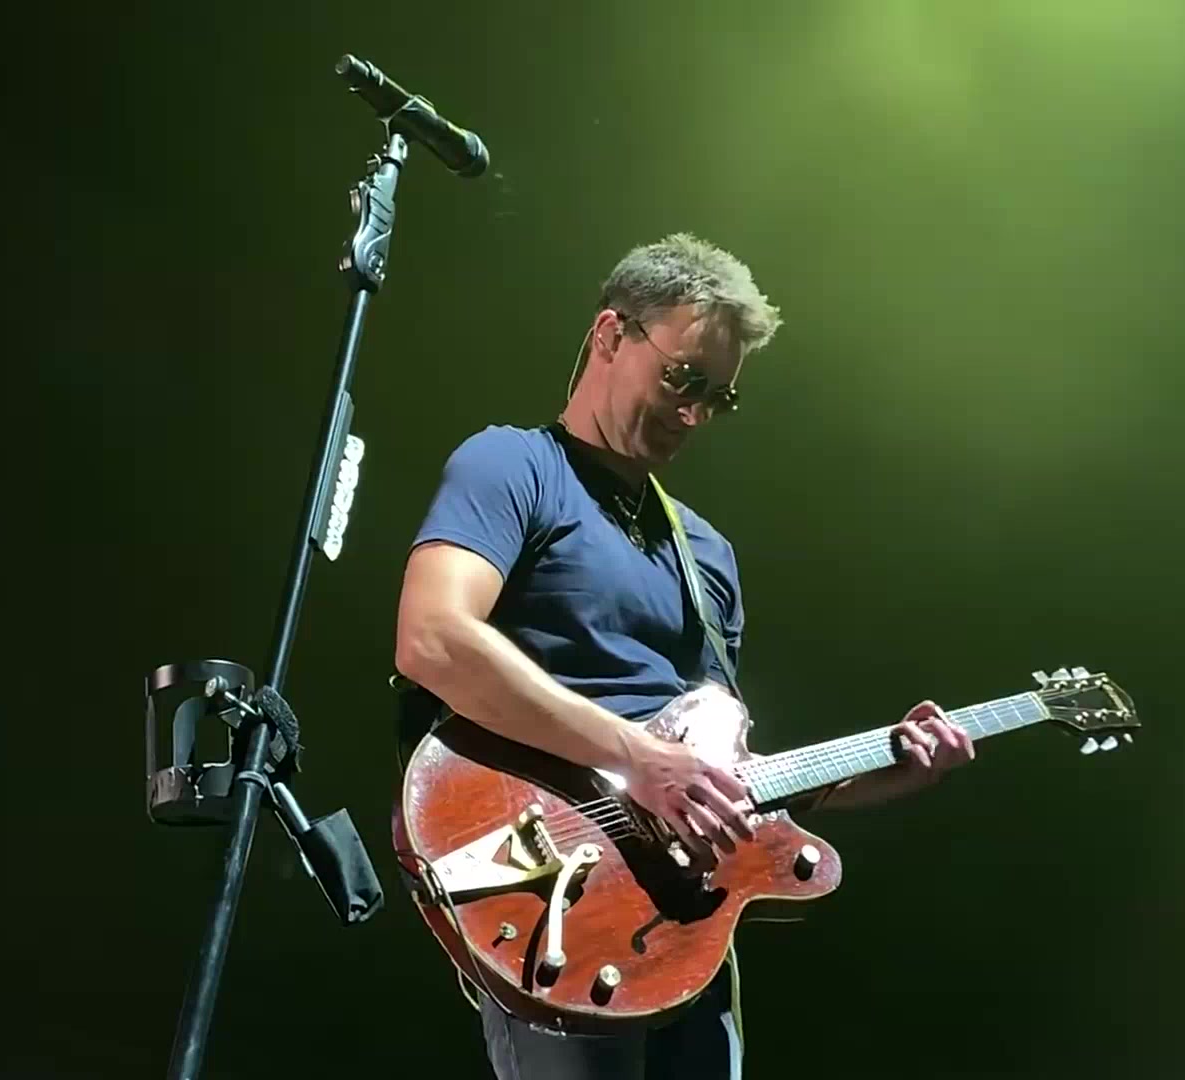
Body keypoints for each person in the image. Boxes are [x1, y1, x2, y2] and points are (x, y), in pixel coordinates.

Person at [392, 233, 976, 1079]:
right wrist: (640, 759)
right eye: (682, 380)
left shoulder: (708, 554)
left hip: (687, 925)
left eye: (718, 398)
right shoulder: (512, 465)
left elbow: (727, 773)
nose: (695, 415)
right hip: (556, 886)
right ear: (610, 334)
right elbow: (433, 638)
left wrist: (889, 770)